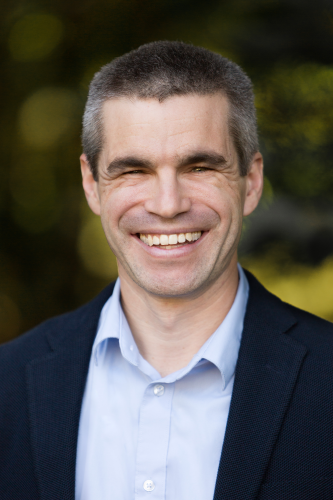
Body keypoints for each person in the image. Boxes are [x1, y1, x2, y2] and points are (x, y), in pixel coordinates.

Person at [0, 41, 332, 500]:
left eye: (199, 166)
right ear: (91, 185)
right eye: (133, 170)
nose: (168, 205)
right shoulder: (8, 385)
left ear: (251, 182)